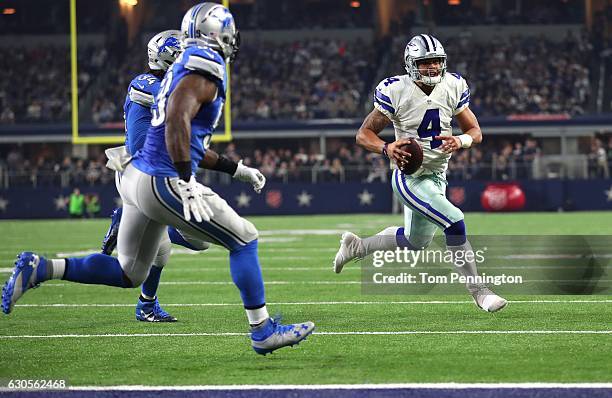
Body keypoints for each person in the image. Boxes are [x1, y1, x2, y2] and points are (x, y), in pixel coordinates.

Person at [2, 3, 314, 355]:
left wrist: (235, 169)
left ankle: (42, 268)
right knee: (244, 239)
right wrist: (185, 179)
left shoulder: (183, 65)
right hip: (162, 178)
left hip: (140, 179)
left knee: (130, 272)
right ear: (217, 33)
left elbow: (184, 132)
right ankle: (262, 331)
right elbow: (176, 119)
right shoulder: (204, 62)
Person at [332, 34, 507, 312]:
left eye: (437, 61)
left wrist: (460, 140)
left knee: (415, 242)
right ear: (411, 64)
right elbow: (363, 134)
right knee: (454, 220)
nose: (433, 68)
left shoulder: (453, 85)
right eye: (426, 63)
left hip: (437, 175)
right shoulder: (395, 89)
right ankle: (479, 292)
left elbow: (476, 132)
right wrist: (387, 148)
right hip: (409, 177)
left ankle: (358, 247)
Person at [101, 29, 266, 322]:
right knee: (156, 255)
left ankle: (142, 228)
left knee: (198, 242)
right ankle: (146, 305)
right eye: (182, 55)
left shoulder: (172, 85)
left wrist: (236, 168)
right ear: (166, 57)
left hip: (161, 172)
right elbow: (176, 102)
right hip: (138, 172)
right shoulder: (146, 83)